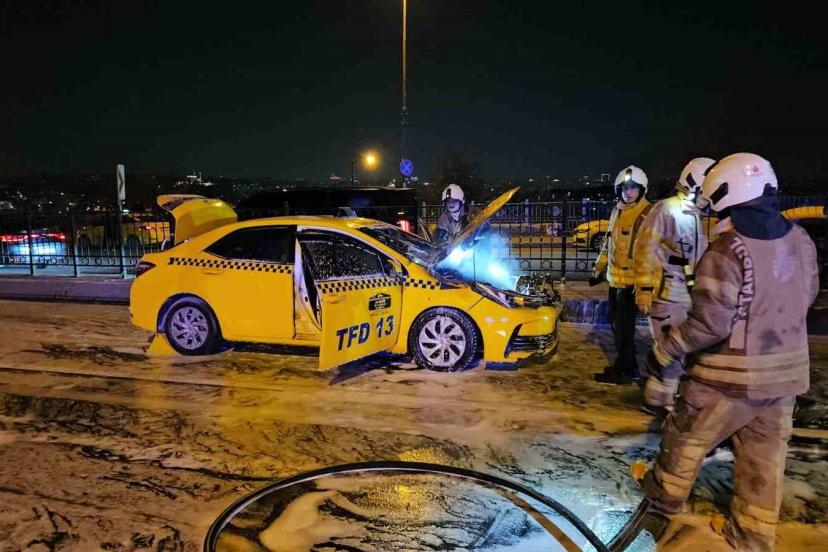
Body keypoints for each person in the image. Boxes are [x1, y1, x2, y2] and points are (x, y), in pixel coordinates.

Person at [640, 153, 819, 551]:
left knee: (685, 440)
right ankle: (752, 535)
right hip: (785, 377)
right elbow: (806, 298)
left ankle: (658, 509)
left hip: (729, 377)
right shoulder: (801, 240)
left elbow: (710, 324)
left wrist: (665, 351)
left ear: (724, 193)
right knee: (763, 460)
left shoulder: (726, 251)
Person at [633, 157, 717, 413]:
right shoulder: (666, 209)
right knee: (669, 349)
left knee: (682, 350)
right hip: (667, 294)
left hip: (689, 294)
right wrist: (644, 290)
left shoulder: (698, 215)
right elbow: (645, 250)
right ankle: (657, 401)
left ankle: (667, 398)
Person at [593, 165, 653, 384]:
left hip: (631, 286)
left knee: (625, 331)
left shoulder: (646, 214)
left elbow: (648, 255)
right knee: (617, 327)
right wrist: (598, 268)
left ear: (641, 189)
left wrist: (644, 292)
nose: (629, 192)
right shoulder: (617, 211)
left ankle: (628, 370)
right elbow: (609, 243)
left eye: (633, 188)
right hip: (615, 282)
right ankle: (623, 366)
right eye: (625, 188)